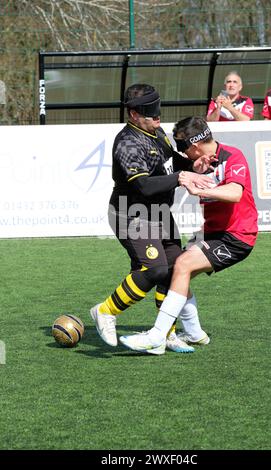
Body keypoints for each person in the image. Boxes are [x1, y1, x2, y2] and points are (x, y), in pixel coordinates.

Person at [119, 116, 258, 354]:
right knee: (175, 269)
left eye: (183, 148)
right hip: (213, 233)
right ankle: (194, 333)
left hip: (236, 237)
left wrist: (197, 188)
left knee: (182, 265)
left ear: (194, 146)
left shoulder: (232, 157)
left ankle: (156, 337)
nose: (181, 154)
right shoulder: (202, 163)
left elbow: (235, 192)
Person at [90, 85, 212, 354]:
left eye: (158, 109)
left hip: (159, 213)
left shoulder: (156, 131)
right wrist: (181, 178)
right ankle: (104, 311)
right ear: (133, 114)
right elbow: (143, 186)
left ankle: (165, 334)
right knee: (154, 269)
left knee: (175, 267)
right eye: (150, 112)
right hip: (130, 213)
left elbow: (171, 163)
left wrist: (193, 167)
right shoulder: (126, 143)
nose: (157, 116)